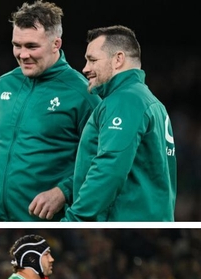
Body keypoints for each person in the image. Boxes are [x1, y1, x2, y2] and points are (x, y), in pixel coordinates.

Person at [0, 1, 100, 222]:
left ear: (56, 44)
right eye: (17, 45)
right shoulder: (3, 85)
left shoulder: (83, 94)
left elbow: (102, 158)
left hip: (47, 222)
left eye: (32, 46)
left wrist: (64, 192)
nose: (23, 54)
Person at [62, 25, 176, 221]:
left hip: (123, 218)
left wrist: (75, 219)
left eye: (92, 60)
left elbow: (109, 170)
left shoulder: (125, 101)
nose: (85, 68)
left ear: (118, 59)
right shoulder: (150, 101)